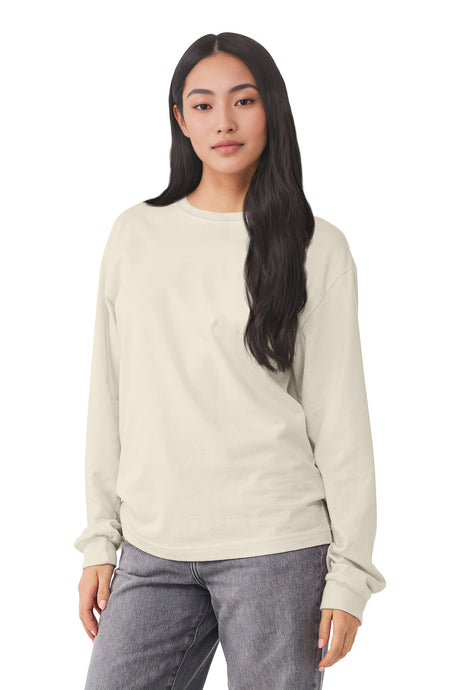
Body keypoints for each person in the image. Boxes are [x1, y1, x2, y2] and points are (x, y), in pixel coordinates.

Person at [74, 31, 386, 690]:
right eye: (203, 104)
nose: (224, 121)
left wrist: (350, 577)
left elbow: (341, 421)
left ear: (271, 109)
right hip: (153, 546)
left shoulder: (316, 246)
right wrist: (100, 538)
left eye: (243, 101)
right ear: (180, 119)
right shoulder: (134, 235)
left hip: (277, 548)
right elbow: (109, 395)